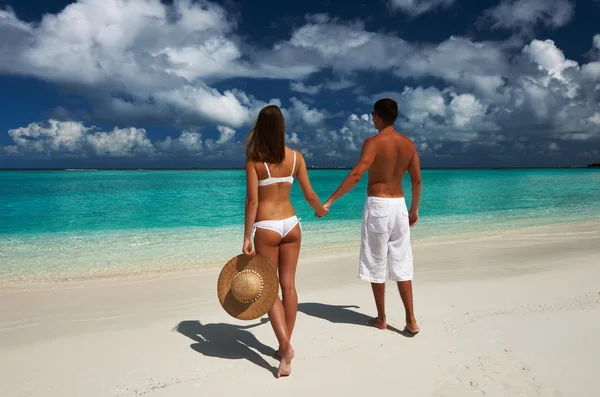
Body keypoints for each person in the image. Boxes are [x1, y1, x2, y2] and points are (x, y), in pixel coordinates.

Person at [320, 98, 422, 334]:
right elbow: (416, 180)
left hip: (379, 206)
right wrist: (414, 209)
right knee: (402, 262)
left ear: (377, 116)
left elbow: (357, 174)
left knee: (376, 261)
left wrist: (330, 201)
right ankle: (411, 320)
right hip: (399, 206)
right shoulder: (408, 145)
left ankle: (382, 318)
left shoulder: (373, 142)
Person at [243, 104, 328, 377]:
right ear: (282, 128)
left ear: (260, 128)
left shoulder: (255, 159)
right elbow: (310, 194)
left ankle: (285, 347)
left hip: (267, 226)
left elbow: (253, 200)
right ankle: (284, 348)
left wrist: (247, 235)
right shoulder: (296, 158)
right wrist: (320, 209)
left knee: (269, 290)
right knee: (289, 286)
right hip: (292, 225)